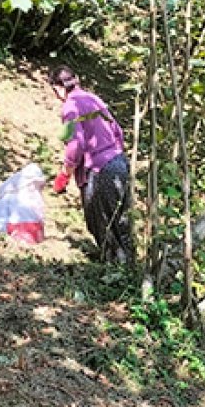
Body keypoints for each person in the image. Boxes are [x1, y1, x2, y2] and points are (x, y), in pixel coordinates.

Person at [48, 65, 134, 264]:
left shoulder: (70, 107)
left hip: (99, 170)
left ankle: (114, 269)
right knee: (121, 221)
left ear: (57, 88)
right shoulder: (94, 99)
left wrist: (64, 175)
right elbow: (117, 131)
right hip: (119, 163)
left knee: (100, 221)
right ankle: (128, 268)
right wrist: (118, 157)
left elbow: (75, 146)